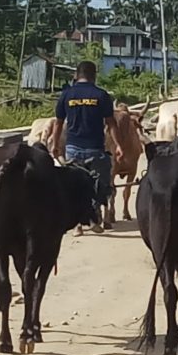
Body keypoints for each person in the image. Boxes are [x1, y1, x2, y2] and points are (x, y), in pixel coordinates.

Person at [51, 61, 123, 232]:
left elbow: (58, 123)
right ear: (94, 76)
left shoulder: (66, 95)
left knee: (74, 185)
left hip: (73, 148)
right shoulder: (101, 95)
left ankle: (77, 224)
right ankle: (92, 215)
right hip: (95, 149)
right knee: (101, 185)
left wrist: (55, 145)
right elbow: (111, 124)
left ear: (76, 75)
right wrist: (119, 145)